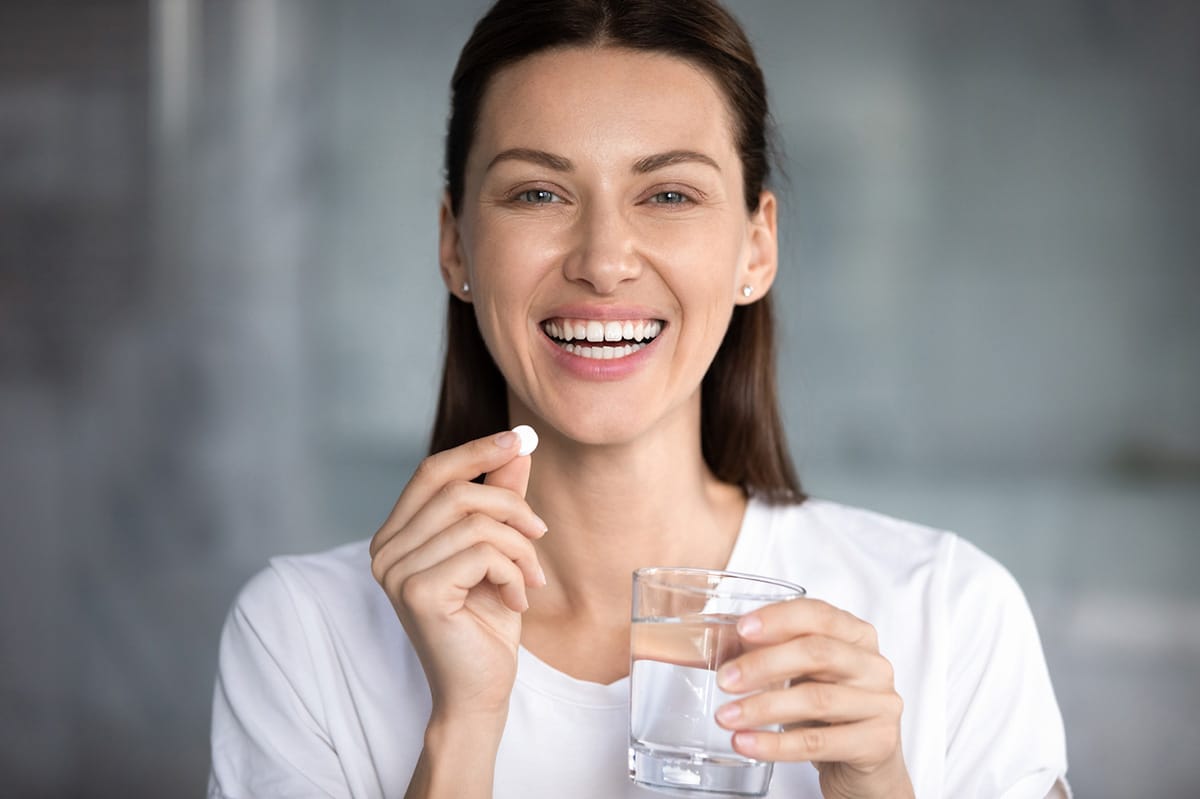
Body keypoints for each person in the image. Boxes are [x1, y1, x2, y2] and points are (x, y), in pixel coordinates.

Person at [207, 1, 1069, 797]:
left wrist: (874, 781)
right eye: (539, 193)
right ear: (455, 244)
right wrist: (461, 730)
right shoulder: (302, 635)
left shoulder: (948, 611)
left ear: (756, 248)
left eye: (668, 195)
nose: (605, 259)